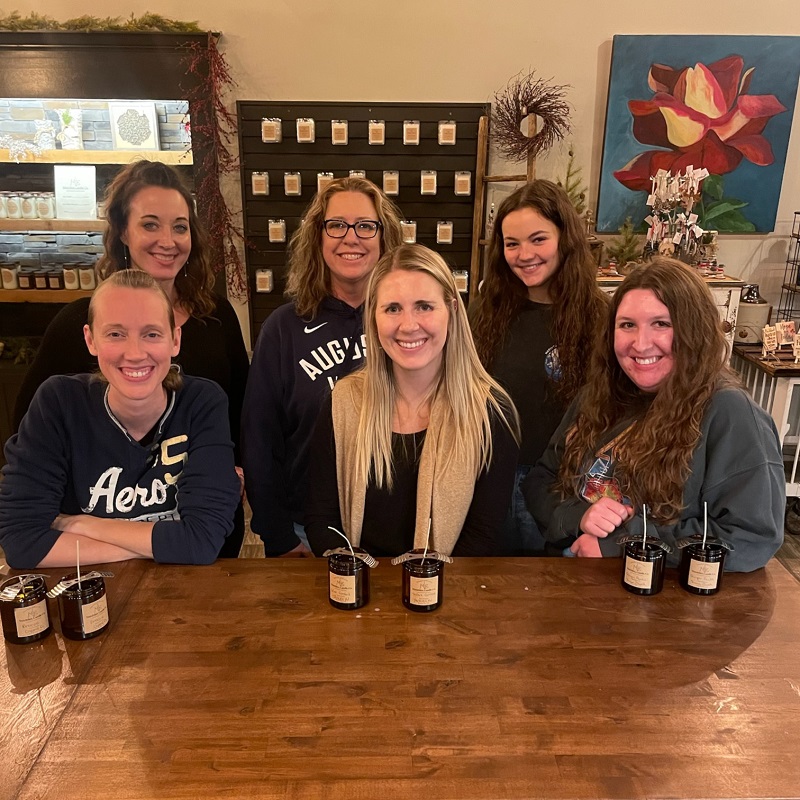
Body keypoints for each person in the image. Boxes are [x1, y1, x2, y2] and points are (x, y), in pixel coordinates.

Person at [12, 160, 249, 557]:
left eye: (179, 226)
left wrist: (229, 472)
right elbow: (30, 431)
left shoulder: (216, 316)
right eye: (150, 224)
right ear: (123, 231)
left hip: (198, 514)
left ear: (174, 339)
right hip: (97, 533)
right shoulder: (75, 322)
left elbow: (241, 408)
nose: (168, 240)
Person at [523, 257, 784, 572]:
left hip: (657, 601)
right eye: (627, 325)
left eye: (661, 324)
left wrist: (620, 544)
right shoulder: (598, 393)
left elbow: (750, 538)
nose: (640, 343)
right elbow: (541, 479)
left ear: (693, 330)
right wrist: (579, 516)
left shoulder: (730, 411)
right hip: (570, 582)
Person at [0, 270, 240, 568]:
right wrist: (168, 543)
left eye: (151, 334)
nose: (135, 353)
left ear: (175, 340)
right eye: (116, 334)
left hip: (183, 595)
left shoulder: (202, 402)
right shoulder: (58, 403)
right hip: (91, 595)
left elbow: (203, 542)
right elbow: (22, 543)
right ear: (91, 340)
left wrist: (86, 525)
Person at [305, 244, 520, 558]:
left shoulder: (492, 414)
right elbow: (321, 518)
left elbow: (483, 536)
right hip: (359, 589)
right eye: (392, 308)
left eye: (424, 306)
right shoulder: (343, 402)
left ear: (452, 311)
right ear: (373, 318)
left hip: (444, 592)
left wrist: (421, 589)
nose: (408, 325)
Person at [242, 176, 403, 557]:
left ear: (384, 238)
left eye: (366, 225)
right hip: (303, 533)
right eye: (336, 225)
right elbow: (260, 441)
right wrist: (280, 536)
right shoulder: (283, 328)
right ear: (318, 236)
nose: (351, 237)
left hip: (393, 529)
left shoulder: (405, 325)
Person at [470, 180, 608, 555]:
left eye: (538, 239)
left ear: (565, 238)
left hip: (562, 487)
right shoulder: (487, 311)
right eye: (511, 243)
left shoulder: (600, 317)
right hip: (488, 482)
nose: (524, 254)